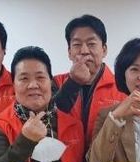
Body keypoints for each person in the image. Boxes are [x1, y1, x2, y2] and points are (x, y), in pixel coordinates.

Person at [0, 46, 84, 162]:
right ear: (13, 85)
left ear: (50, 82)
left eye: (40, 77)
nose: (33, 85)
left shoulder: (74, 125)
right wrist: (25, 140)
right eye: (24, 78)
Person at [54, 14, 126, 153]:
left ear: (104, 50)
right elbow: (49, 117)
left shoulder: (122, 87)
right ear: (69, 52)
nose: (84, 51)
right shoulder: (56, 82)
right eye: (77, 45)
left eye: (91, 44)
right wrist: (73, 83)